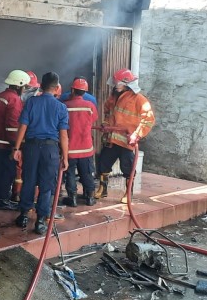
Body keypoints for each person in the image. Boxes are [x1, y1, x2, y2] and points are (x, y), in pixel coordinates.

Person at [12, 72, 69, 234]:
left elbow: (22, 126)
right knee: (46, 185)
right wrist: (65, 157)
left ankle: (23, 215)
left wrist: (16, 148)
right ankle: (41, 221)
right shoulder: (61, 107)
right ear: (57, 87)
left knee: (28, 180)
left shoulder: (31, 102)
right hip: (51, 150)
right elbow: (63, 135)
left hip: (31, 148)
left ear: (42, 86)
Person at [95, 69, 155, 203]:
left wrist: (136, 135)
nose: (115, 85)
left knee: (127, 168)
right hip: (112, 139)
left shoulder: (139, 99)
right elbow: (108, 112)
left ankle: (128, 194)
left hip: (127, 142)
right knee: (103, 163)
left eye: (118, 82)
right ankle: (102, 190)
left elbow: (149, 120)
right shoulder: (114, 97)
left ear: (127, 84)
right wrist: (105, 124)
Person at [0, 70, 31, 210]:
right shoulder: (14, 100)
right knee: (8, 172)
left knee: (0, 171)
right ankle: (3, 200)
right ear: (19, 85)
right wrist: (17, 145)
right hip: (4, 143)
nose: (25, 90)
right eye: (25, 87)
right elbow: (12, 126)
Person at [62, 78, 99, 207]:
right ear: (84, 92)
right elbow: (94, 119)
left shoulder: (65, 106)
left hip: (70, 148)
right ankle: (90, 198)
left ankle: (72, 198)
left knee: (70, 174)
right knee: (87, 173)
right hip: (86, 148)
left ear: (72, 89)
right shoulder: (90, 106)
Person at [11, 70, 40, 203]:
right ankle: (21, 195)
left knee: (25, 168)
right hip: (27, 140)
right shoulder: (21, 101)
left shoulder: (28, 101)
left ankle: (20, 195)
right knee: (25, 168)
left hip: (26, 139)